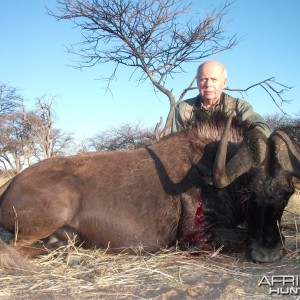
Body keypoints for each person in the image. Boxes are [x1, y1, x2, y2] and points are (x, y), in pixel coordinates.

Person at [171, 60, 272, 137]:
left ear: (224, 83)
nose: (208, 84)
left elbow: (264, 130)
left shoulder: (239, 107)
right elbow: (174, 144)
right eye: (203, 79)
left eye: (214, 79)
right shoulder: (183, 109)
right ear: (197, 82)